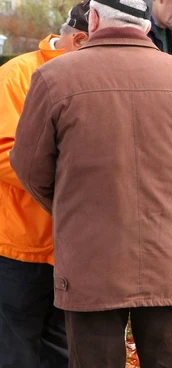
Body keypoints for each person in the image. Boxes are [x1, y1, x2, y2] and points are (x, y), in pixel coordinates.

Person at [10, 0, 172, 365]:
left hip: (89, 261)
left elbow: (29, 168)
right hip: (168, 258)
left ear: (92, 19)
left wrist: (72, 206)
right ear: (144, 27)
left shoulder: (53, 77)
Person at [0, 3, 89, 366]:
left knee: (61, 352)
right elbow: (5, 152)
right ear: (81, 40)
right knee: (17, 353)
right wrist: (77, 183)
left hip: (73, 250)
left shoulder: (88, 76)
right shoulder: (17, 75)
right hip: (21, 248)